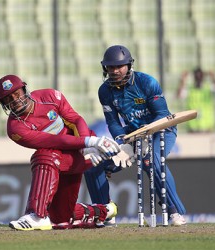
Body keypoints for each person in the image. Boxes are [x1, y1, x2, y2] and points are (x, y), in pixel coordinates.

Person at [0, 74, 122, 230]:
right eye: (7, 99)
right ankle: (105, 210)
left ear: (24, 89)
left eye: (16, 94)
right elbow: (55, 141)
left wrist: (87, 144)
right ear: (3, 104)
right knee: (60, 218)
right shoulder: (15, 129)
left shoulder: (49, 95)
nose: (14, 100)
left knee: (43, 155)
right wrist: (87, 142)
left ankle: (36, 215)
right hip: (66, 156)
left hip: (85, 153)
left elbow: (76, 119)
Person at [84, 45, 187, 226]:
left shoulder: (146, 82)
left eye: (119, 66)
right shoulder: (105, 91)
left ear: (129, 65)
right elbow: (113, 122)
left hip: (162, 131)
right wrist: (121, 142)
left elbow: (162, 115)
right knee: (93, 165)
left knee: (151, 160)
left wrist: (148, 134)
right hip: (132, 135)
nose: (115, 71)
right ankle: (104, 213)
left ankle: (174, 211)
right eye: (111, 67)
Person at [176, 67, 215, 132]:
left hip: (207, 127)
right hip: (193, 128)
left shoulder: (209, 88)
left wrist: (214, 78)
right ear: (194, 77)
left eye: (200, 76)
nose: (198, 78)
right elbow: (179, 95)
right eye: (197, 76)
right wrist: (183, 80)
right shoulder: (189, 89)